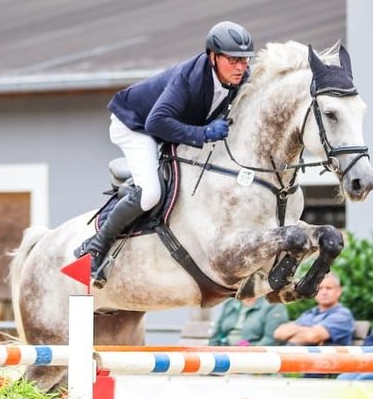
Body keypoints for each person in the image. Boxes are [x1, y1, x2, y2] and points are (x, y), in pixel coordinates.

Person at [74, 20, 256, 281]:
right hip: (136, 125)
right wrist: (204, 133)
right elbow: (156, 122)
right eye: (233, 60)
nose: (240, 67)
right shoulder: (189, 79)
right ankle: (95, 246)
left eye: (244, 60)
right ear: (212, 57)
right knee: (150, 194)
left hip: (168, 127)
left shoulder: (241, 79)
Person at [273, 272, 355, 347]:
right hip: (301, 358)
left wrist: (293, 333)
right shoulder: (310, 313)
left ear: (338, 291)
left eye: (329, 288)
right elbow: (278, 333)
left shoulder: (342, 315)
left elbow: (312, 336)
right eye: (320, 288)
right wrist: (310, 331)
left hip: (328, 361)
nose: (324, 292)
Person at [209, 295, 287, 347]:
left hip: (252, 359)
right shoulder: (231, 303)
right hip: (226, 355)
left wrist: (248, 354)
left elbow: (270, 340)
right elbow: (217, 332)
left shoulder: (273, 305)